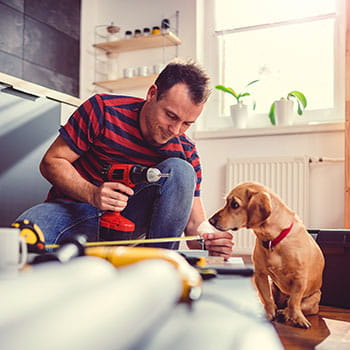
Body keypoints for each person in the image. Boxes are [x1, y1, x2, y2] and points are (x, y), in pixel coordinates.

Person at [16, 60, 233, 259]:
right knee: (23, 237)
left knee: (181, 170)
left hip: (128, 224)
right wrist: (92, 193)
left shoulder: (185, 149)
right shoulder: (103, 109)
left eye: (187, 123)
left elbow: (194, 223)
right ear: (152, 93)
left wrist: (208, 241)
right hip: (72, 211)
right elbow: (52, 161)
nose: (175, 130)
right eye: (171, 116)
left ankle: (157, 264)